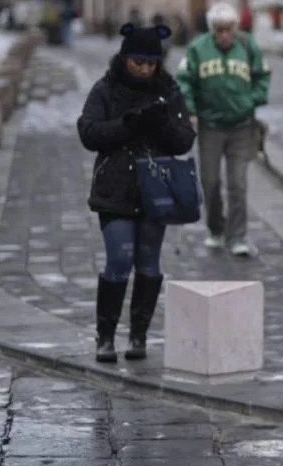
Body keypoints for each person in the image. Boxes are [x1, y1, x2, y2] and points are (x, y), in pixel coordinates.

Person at [77, 23, 196, 363]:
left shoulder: (168, 90)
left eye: (151, 63)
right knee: (118, 259)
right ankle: (106, 337)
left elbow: (184, 139)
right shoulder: (106, 89)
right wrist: (127, 124)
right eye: (138, 62)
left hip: (155, 189)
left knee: (148, 262)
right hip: (115, 187)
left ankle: (139, 336)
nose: (145, 69)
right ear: (125, 58)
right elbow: (88, 132)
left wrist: (160, 124)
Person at [175, 1, 271, 257]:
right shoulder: (198, 48)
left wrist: (252, 100)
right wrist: (191, 110)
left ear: (235, 28)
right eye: (219, 29)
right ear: (211, 29)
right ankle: (215, 228)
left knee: (238, 183)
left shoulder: (248, 45)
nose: (225, 35)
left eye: (229, 29)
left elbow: (263, 75)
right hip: (210, 126)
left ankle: (237, 235)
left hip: (242, 126)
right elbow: (184, 81)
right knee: (211, 181)